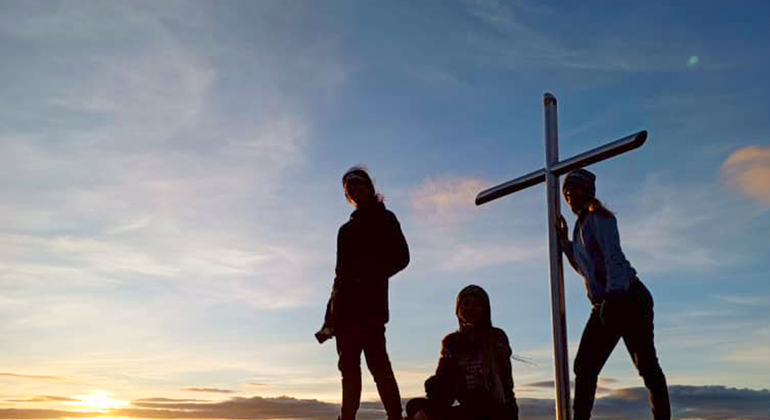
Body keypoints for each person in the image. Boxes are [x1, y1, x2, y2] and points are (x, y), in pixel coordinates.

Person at [555, 169, 670, 420]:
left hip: (626, 297)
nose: (570, 194)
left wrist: (613, 298)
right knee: (585, 366)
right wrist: (565, 244)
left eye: (576, 189)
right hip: (609, 299)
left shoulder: (600, 217)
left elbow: (613, 257)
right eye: (567, 191)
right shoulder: (581, 225)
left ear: (588, 191)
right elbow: (587, 269)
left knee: (645, 365)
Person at [316, 166, 410, 420]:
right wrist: (329, 318)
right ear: (348, 194)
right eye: (350, 188)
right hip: (345, 313)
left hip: (372, 310)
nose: (355, 190)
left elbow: (402, 257)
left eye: (359, 184)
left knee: (379, 366)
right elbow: (339, 277)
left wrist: (370, 275)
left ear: (369, 187)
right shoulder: (345, 231)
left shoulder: (386, 219)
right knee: (349, 370)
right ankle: (347, 417)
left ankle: (395, 416)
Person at [406, 285, 519, 420]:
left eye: (476, 305)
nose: (470, 308)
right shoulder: (451, 342)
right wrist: (435, 388)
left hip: (494, 408)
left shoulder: (496, 337)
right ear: (458, 309)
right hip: (467, 406)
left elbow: (503, 384)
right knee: (414, 406)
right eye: (466, 303)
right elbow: (445, 384)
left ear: (484, 310)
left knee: (479, 404)